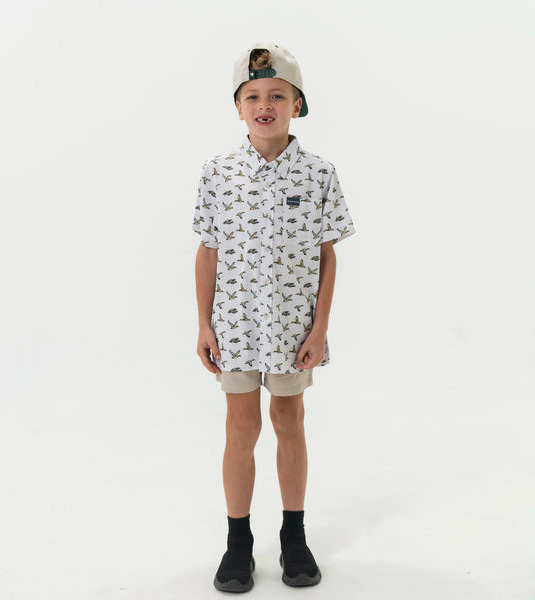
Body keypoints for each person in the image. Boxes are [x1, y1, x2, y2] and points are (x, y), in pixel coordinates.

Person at [192, 42, 356, 592]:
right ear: (238, 107)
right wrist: (204, 324)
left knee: (289, 421)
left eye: (278, 95)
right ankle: (238, 542)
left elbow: (327, 256)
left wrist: (320, 328)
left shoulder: (318, 174)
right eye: (254, 96)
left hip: (293, 327)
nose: (266, 105)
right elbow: (208, 251)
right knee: (241, 426)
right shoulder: (218, 173)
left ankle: (294, 536)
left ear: (297, 104)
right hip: (235, 326)